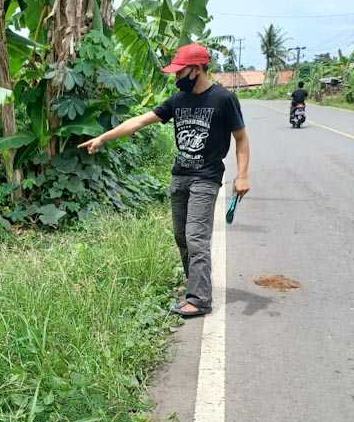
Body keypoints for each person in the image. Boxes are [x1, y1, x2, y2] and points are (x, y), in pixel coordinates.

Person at [78, 43, 250, 318]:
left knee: (196, 237)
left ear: (196, 70)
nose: (175, 77)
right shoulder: (177, 101)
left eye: (179, 72)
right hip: (179, 176)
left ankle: (200, 299)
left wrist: (242, 176)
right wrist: (103, 138)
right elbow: (138, 121)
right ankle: (193, 285)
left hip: (206, 178)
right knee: (181, 236)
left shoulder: (223, 99)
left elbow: (241, 138)